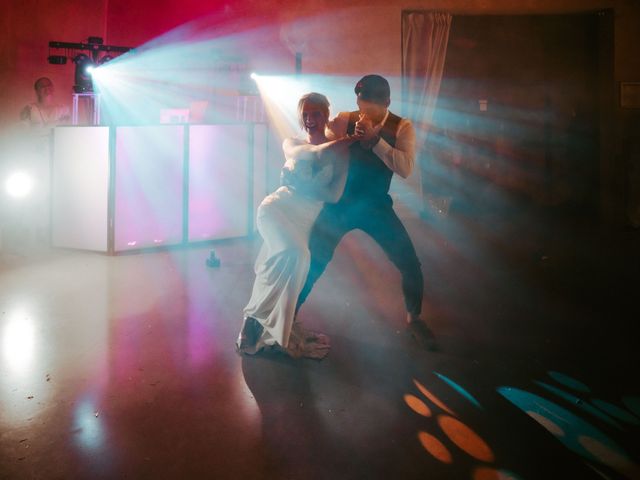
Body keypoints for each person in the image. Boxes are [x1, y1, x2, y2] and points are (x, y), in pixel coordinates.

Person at [296, 74, 436, 350]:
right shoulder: (344, 118)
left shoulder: (402, 127)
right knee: (313, 261)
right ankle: (288, 315)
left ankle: (414, 318)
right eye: (360, 103)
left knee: (409, 263)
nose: (363, 110)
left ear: (387, 102)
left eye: (370, 105)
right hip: (340, 205)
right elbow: (318, 146)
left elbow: (405, 169)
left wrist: (377, 142)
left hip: (376, 207)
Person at [236, 92, 359, 359]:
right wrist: (351, 140)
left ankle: (259, 328)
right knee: (296, 254)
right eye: (305, 114)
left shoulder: (341, 155)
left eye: (316, 113)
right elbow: (313, 153)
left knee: (279, 266)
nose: (310, 119)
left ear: (326, 114)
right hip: (276, 208)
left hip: (304, 219)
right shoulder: (292, 143)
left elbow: (335, 195)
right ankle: (256, 320)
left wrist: (305, 186)